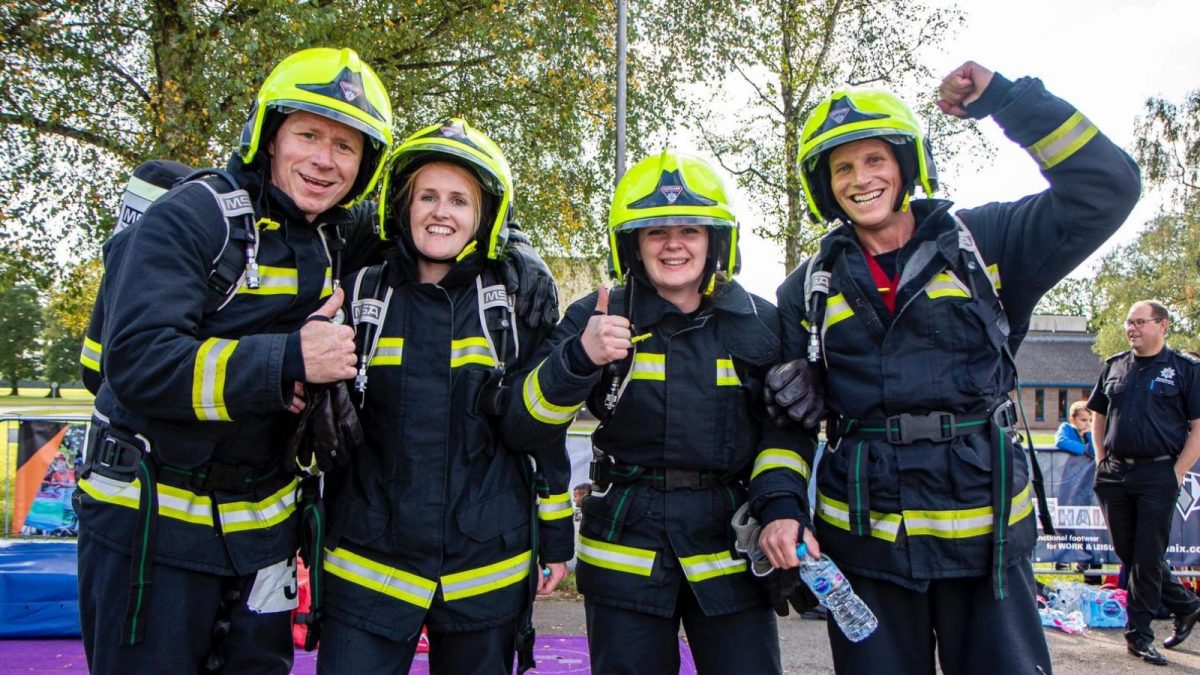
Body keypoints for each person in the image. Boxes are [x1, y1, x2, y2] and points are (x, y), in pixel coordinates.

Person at [762, 61, 1141, 673]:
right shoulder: (806, 290)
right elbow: (784, 426)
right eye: (843, 168)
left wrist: (1008, 101)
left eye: (875, 160)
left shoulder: (984, 243)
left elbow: (1108, 187)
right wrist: (782, 505)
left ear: (906, 165)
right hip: (867, 547)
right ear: (824, 185)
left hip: (986, 543)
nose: (862, 179)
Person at [74, 47, 393, 672]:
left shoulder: (339, 235)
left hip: (262, 540)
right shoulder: (194, 217)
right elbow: (136, 362)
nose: (325, 160)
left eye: (347, 146)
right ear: (269, 138)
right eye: (308, 134)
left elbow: (437, 225)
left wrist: (511, 252)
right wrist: (285, 361)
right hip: (151, 531)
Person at [530, 151, 807, 673]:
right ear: (633, 244)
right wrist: (577, 359)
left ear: (716, 240)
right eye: (655, 232)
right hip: (625, 554)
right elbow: (527, 424)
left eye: (690, 230)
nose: (674, 244)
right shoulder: (596, 314)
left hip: (730, 552)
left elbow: (785, 434)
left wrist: (783, 509)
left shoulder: (760, 324)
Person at [316, 118, 574, 674]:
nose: (441, 211)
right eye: (427, 196)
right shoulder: (357, 288)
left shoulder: (512, 299)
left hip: (484, 567)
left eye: (460, 200)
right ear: (402, 207)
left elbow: (542, 427)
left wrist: (556, 534)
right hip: (368, 564)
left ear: (485, 217)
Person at [1089, 300, 1200, 665]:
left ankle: (1139, 635)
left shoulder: (1184, 369)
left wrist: (1178, 470)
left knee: (1148, 556)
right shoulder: (1115, 365)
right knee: (1132, 554)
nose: (1131, 328)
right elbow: (1098, 415)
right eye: (1128, 322)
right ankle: (1187, 605)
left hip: (1158, 473)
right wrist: (1101, 460)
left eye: (1139, 322)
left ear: (1162, 325)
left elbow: (1198, 426)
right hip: (1115, 474)